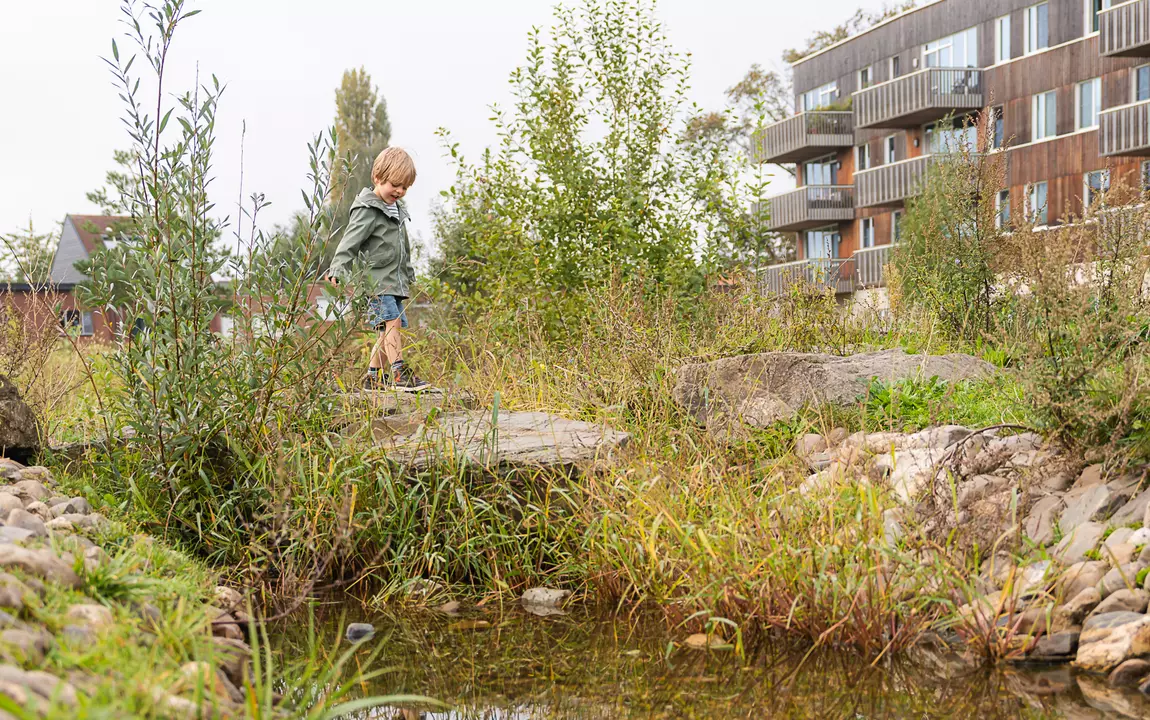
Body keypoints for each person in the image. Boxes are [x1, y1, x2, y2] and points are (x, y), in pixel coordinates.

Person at [327, 147, 430, 391]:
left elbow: (401, 246)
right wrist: (338, 267)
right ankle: (399, 374)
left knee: (386, 332)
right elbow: (349, 241)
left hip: (394, 281)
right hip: (376, 282)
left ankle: (373, 378)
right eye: (395, 185)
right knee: (391, 323)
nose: (400, 191)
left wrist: (408, 272)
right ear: (377, 178)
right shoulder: (368, 210)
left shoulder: (396, 209)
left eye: (405, 187)